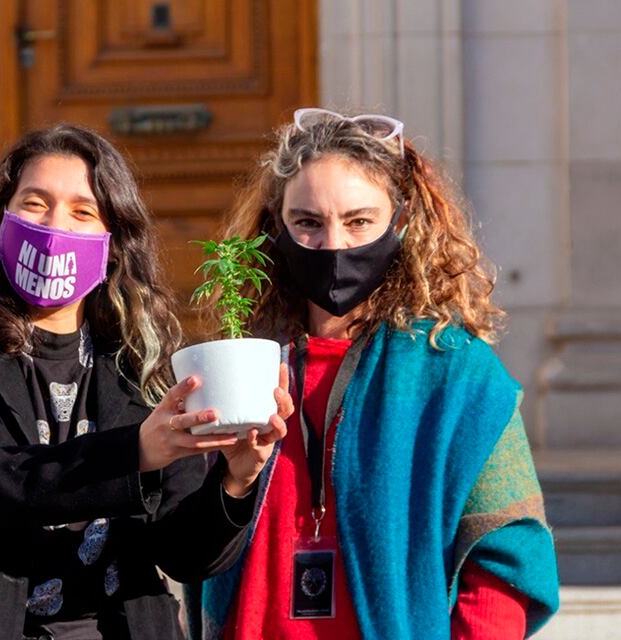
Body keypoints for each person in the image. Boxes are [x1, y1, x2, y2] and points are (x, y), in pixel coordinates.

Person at [0, 124, 290, 640]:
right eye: (35, 204)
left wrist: (236, 479)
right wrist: (134, 454)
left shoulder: (145, 368)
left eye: (82, 212)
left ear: (112, 246)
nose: (55, 226)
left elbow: (185, 556)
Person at [188, 109, 560, 640]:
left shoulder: (457, 373)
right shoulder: (239, 366)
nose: (335, 245)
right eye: (308, 223)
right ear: (275, 226)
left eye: (359, 221)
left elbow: (504, 555)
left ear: (400, 222)